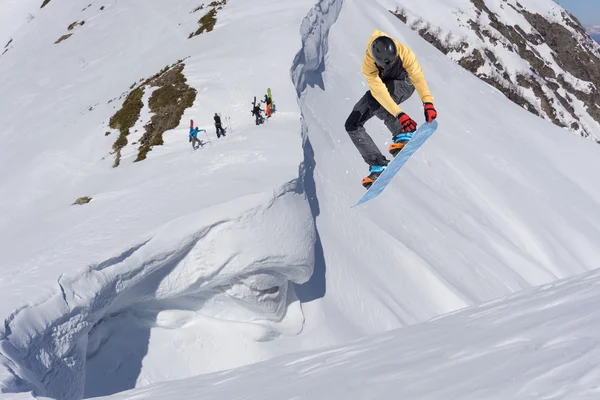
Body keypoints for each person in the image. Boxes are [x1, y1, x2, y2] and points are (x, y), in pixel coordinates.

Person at [344, 30, 438, 189]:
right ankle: (378, 165)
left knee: (373, 99)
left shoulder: (403, 52)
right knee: (352, 124)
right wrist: (399, 114)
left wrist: (427, 102)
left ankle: (403, 132)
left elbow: (417, 76)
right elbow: (379, 93)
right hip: (382, 92)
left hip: (405, 83)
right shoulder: (368, 65)